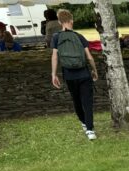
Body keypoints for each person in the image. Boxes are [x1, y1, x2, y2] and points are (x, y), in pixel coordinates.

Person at [51, 9, 99, 140]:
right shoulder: (79, 36)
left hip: (69, 75)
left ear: (60, 22)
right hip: (84, 74)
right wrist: (94, 70)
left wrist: (53, 74)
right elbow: (89, 57)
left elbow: (55, 56)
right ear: (72, 21)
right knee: (87, 102)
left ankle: (83, 122)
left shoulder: (56, 37)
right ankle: (90, 130)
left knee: (76, 100)